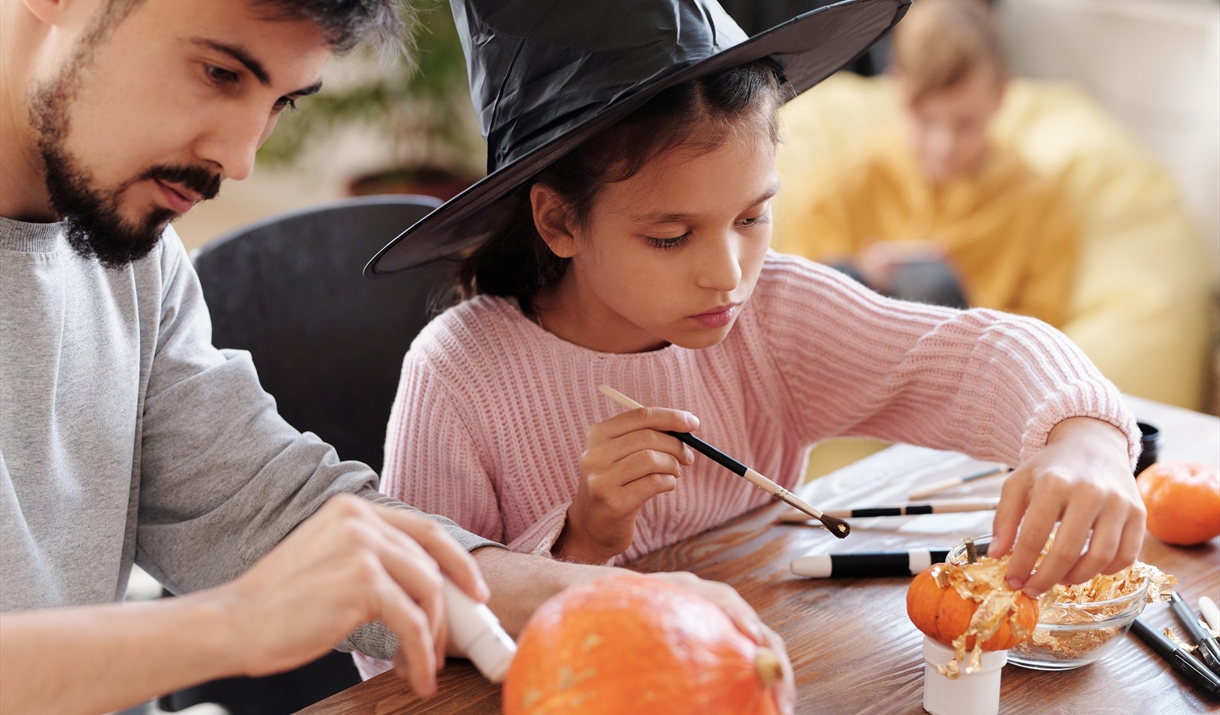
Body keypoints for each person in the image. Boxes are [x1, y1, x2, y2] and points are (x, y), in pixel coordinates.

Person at [0, 1, 794, 713]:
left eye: (278, 102)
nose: (240, 157)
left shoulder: (136, 257)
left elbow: (269, 509)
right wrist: (235, 625)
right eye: (218, 72)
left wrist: (605, 598)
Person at [362, 0, 1144, 676]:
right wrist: (580, 541)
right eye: (671, 237)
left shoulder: (772, 314)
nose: (728, 275)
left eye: (752, 217)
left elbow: (973, 356)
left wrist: (1086, 440)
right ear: (560, 221)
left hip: (766, 664)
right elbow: (395, 639)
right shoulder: (460, 374)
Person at [776, 0, 1079, 327]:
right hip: (852, 359)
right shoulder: (838, 195)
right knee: (843, 277)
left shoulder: (1040, 206)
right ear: (896, 87)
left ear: (1000, 95)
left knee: (933, 287)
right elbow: (792, 320)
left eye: (966, 124)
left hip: (973, 366)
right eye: (924, 121)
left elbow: (1044, 337)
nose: (943, 147)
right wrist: (865, 283)